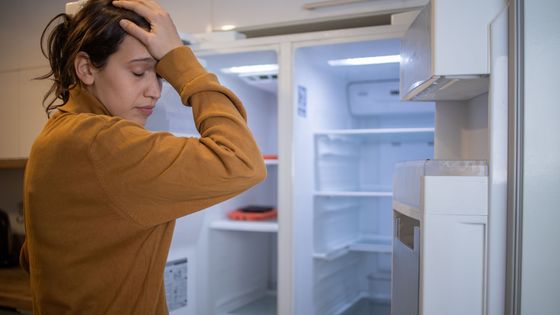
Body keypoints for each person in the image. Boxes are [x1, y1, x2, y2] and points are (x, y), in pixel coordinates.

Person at [19, 0, 266, 313]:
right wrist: (182, 63)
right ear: (86, 69)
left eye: (160, 75)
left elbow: (34, 257)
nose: (155, 90)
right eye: (138, 72)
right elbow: (242, 161)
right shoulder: (101, 142)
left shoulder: (56, 134)